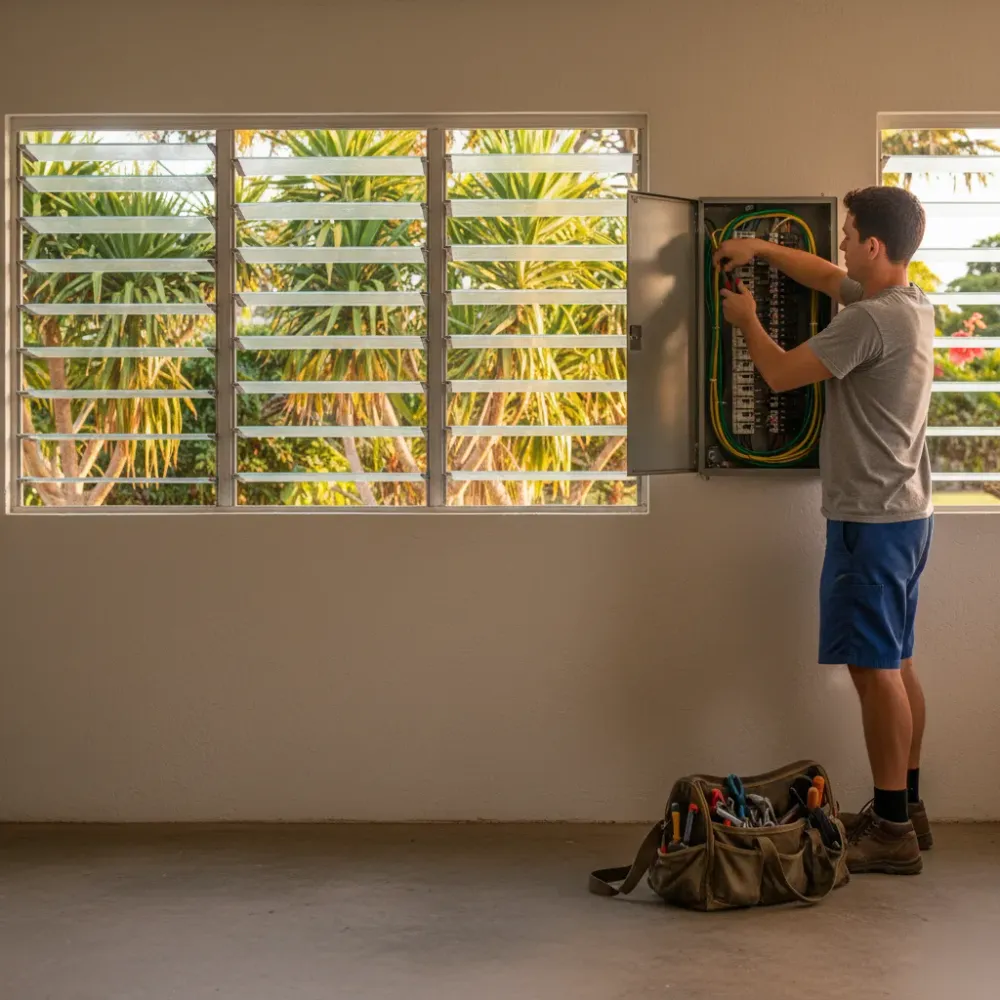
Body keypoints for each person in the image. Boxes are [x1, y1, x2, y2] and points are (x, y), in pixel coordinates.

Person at [712, 186, 934, 876]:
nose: (839, 244)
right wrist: (759, 249)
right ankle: (908, 809)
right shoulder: (907, 305)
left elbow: (779, 374)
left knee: (874, 671)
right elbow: (823, 277)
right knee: (894, 663)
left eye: (847, 234)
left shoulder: (868, 325)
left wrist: (748, 318)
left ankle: (891, 829)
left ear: (873, 245)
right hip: (904, 515)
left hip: (869, 519)